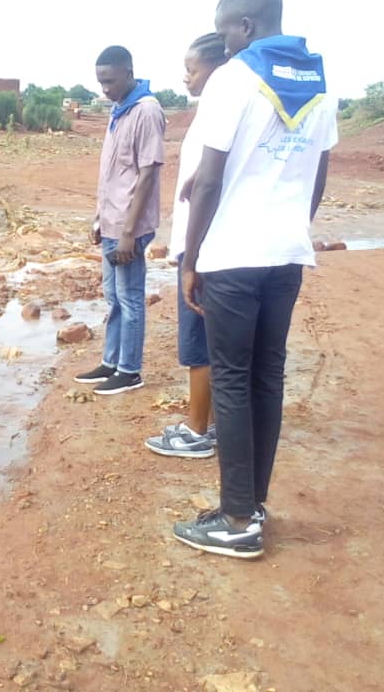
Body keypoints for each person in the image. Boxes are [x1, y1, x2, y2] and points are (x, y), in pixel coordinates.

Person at [174, 0, 337, 559]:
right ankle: (253, 503)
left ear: (243, 26)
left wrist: (192, 260)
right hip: (285, 256)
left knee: (234, 380)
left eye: (225, 32)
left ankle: (238, 520)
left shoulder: (235, 79)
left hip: (233, 260)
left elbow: (209, 181)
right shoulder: (319, 82)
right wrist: (293, 223)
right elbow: (318, 175)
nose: (225, 43)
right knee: (268, 377)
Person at [145, 34, 229, 459]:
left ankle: (198, 431)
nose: (186, 77)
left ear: (216, 67)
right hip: (200, 246)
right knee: (209, 344)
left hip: (203, 250)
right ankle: (209, 425)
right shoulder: (213, 112)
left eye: (192, 69)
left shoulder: (221, 110)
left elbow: (208, 186)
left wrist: (190, 257)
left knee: (199, 344)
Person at [73, 45, 165, 395]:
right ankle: (111, 362)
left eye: (110, 81)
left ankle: (130, 370)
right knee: (113, 296)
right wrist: (99, 218)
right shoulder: (119, 109)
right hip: (111, 222)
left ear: (129, 72)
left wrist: (128, 232)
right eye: (100, 82)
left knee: (130, 298)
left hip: (130, 226)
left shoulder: (146, 111)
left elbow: (147, 174)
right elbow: (113, 172)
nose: (104, 89)